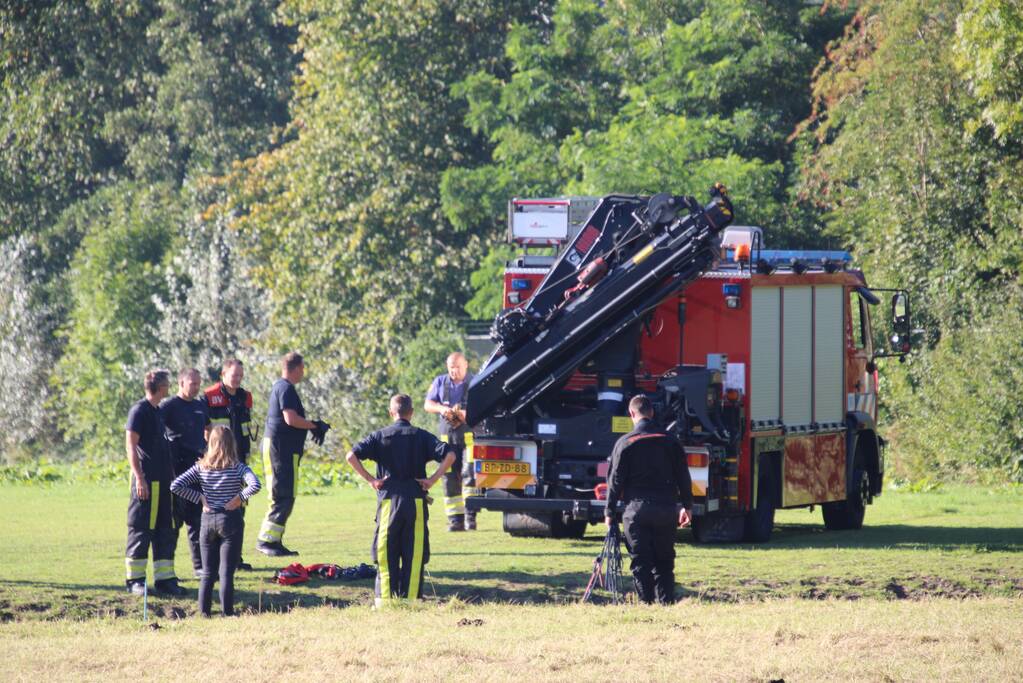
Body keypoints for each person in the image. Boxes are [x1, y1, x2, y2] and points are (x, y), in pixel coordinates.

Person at [346, 394, 455, 607]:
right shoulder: (421, 436)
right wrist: (432, 479)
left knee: (386, 551)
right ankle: (412, 601)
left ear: (391, 413)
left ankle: (385, 602)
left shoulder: (379, 436)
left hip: (388, 502)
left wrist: (371, 480)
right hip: (415, 501)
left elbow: (351, 456)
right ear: (411, 413)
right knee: (414, 553)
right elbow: (450, 454)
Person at [604, 395, 693, 605]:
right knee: (664, 562)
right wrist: (687, 506)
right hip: (665, 509)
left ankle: (646, 605)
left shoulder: (624, 443)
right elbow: (683, 476)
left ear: (632, 414)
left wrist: (609, 512)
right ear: (652, 413)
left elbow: (615, 481)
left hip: (636, 511)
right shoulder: (671, 441)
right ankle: (667, 604)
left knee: (641, 562)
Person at [171, 426, 261, 617]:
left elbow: (175, 485)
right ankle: (227, 613)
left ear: (210, 443)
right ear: (232, 444)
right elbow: (255, 484)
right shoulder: (237, 467)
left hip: (207, 520)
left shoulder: (201, 467)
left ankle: (204, 613)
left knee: (207, 573)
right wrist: (239, 498)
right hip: (230, 521)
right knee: (226, 572)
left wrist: (201, 498)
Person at [256, 352, 329, 557]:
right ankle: (266, 541)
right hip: (280, 449)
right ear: (295, 368)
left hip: (285, 450)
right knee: (282, 495)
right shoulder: (285, 388)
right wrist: (314, 425)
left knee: (286, 495)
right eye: (302, 369)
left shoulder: (284, 387)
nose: (303, 373)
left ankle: (273, 540)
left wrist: (311, 426)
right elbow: (290, 419)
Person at [124, 369, 186, 596]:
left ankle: (165, 579)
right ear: (160, 387)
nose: (169, 388)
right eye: (167, 384)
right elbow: (130, 446)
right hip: (147, 482)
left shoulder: (158, 411)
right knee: (141, 529)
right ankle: (135, 580)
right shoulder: (139, 411)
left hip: (164, 483)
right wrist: (139, 478)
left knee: (164, 530)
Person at [204, 358, 256, 569]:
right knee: (217, 510)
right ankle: (217, 560)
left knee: (238, 510)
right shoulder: (210, 397)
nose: (238, 379)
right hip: (217, 463)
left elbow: (246, 431)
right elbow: (206, 430)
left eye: (240, 375)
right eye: (234, 375)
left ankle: (235, 558)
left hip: (238, 461)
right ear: (223, 375)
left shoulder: (245, 398)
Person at [160, 367, 210, 577]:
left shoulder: (200, 406)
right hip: (177, 471)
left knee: (197, 521)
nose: (197, 387)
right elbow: (157, 432)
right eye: (193, 384)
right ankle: (168, 571)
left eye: (199, 383)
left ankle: (199, 567)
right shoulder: (169, 406)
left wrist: (209, 452)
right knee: (174, 523)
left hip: (197, 469)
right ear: (181, 383)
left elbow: (209, 429)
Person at [423, 352, 476, 531]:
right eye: (451, 367)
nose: (454, 371)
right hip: (447, 439)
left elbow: (484, 408)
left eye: (457, 367)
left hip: (470, 439)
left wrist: (464, 415)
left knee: (470, 475)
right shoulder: (440, 382)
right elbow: (427, 404)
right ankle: (455, 520)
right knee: (449, 477)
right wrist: (442, 409)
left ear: (466, 365)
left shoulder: (475, 382)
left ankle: (471, 517)